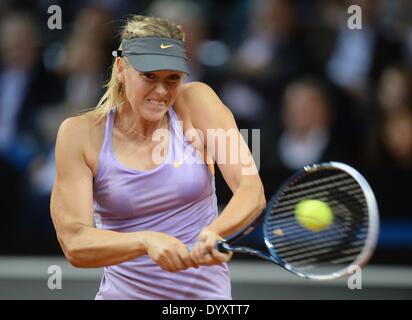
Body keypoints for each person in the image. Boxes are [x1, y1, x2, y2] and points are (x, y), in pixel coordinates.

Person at [50, 15, 266, 300]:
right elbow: (75, 243)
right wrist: (145, 241)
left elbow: (251, 189)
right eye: (149, 76)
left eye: (172, 78)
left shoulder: (198, 102)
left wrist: (215, 231)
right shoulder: (79, 134)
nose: (162, 91)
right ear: (121, 68)